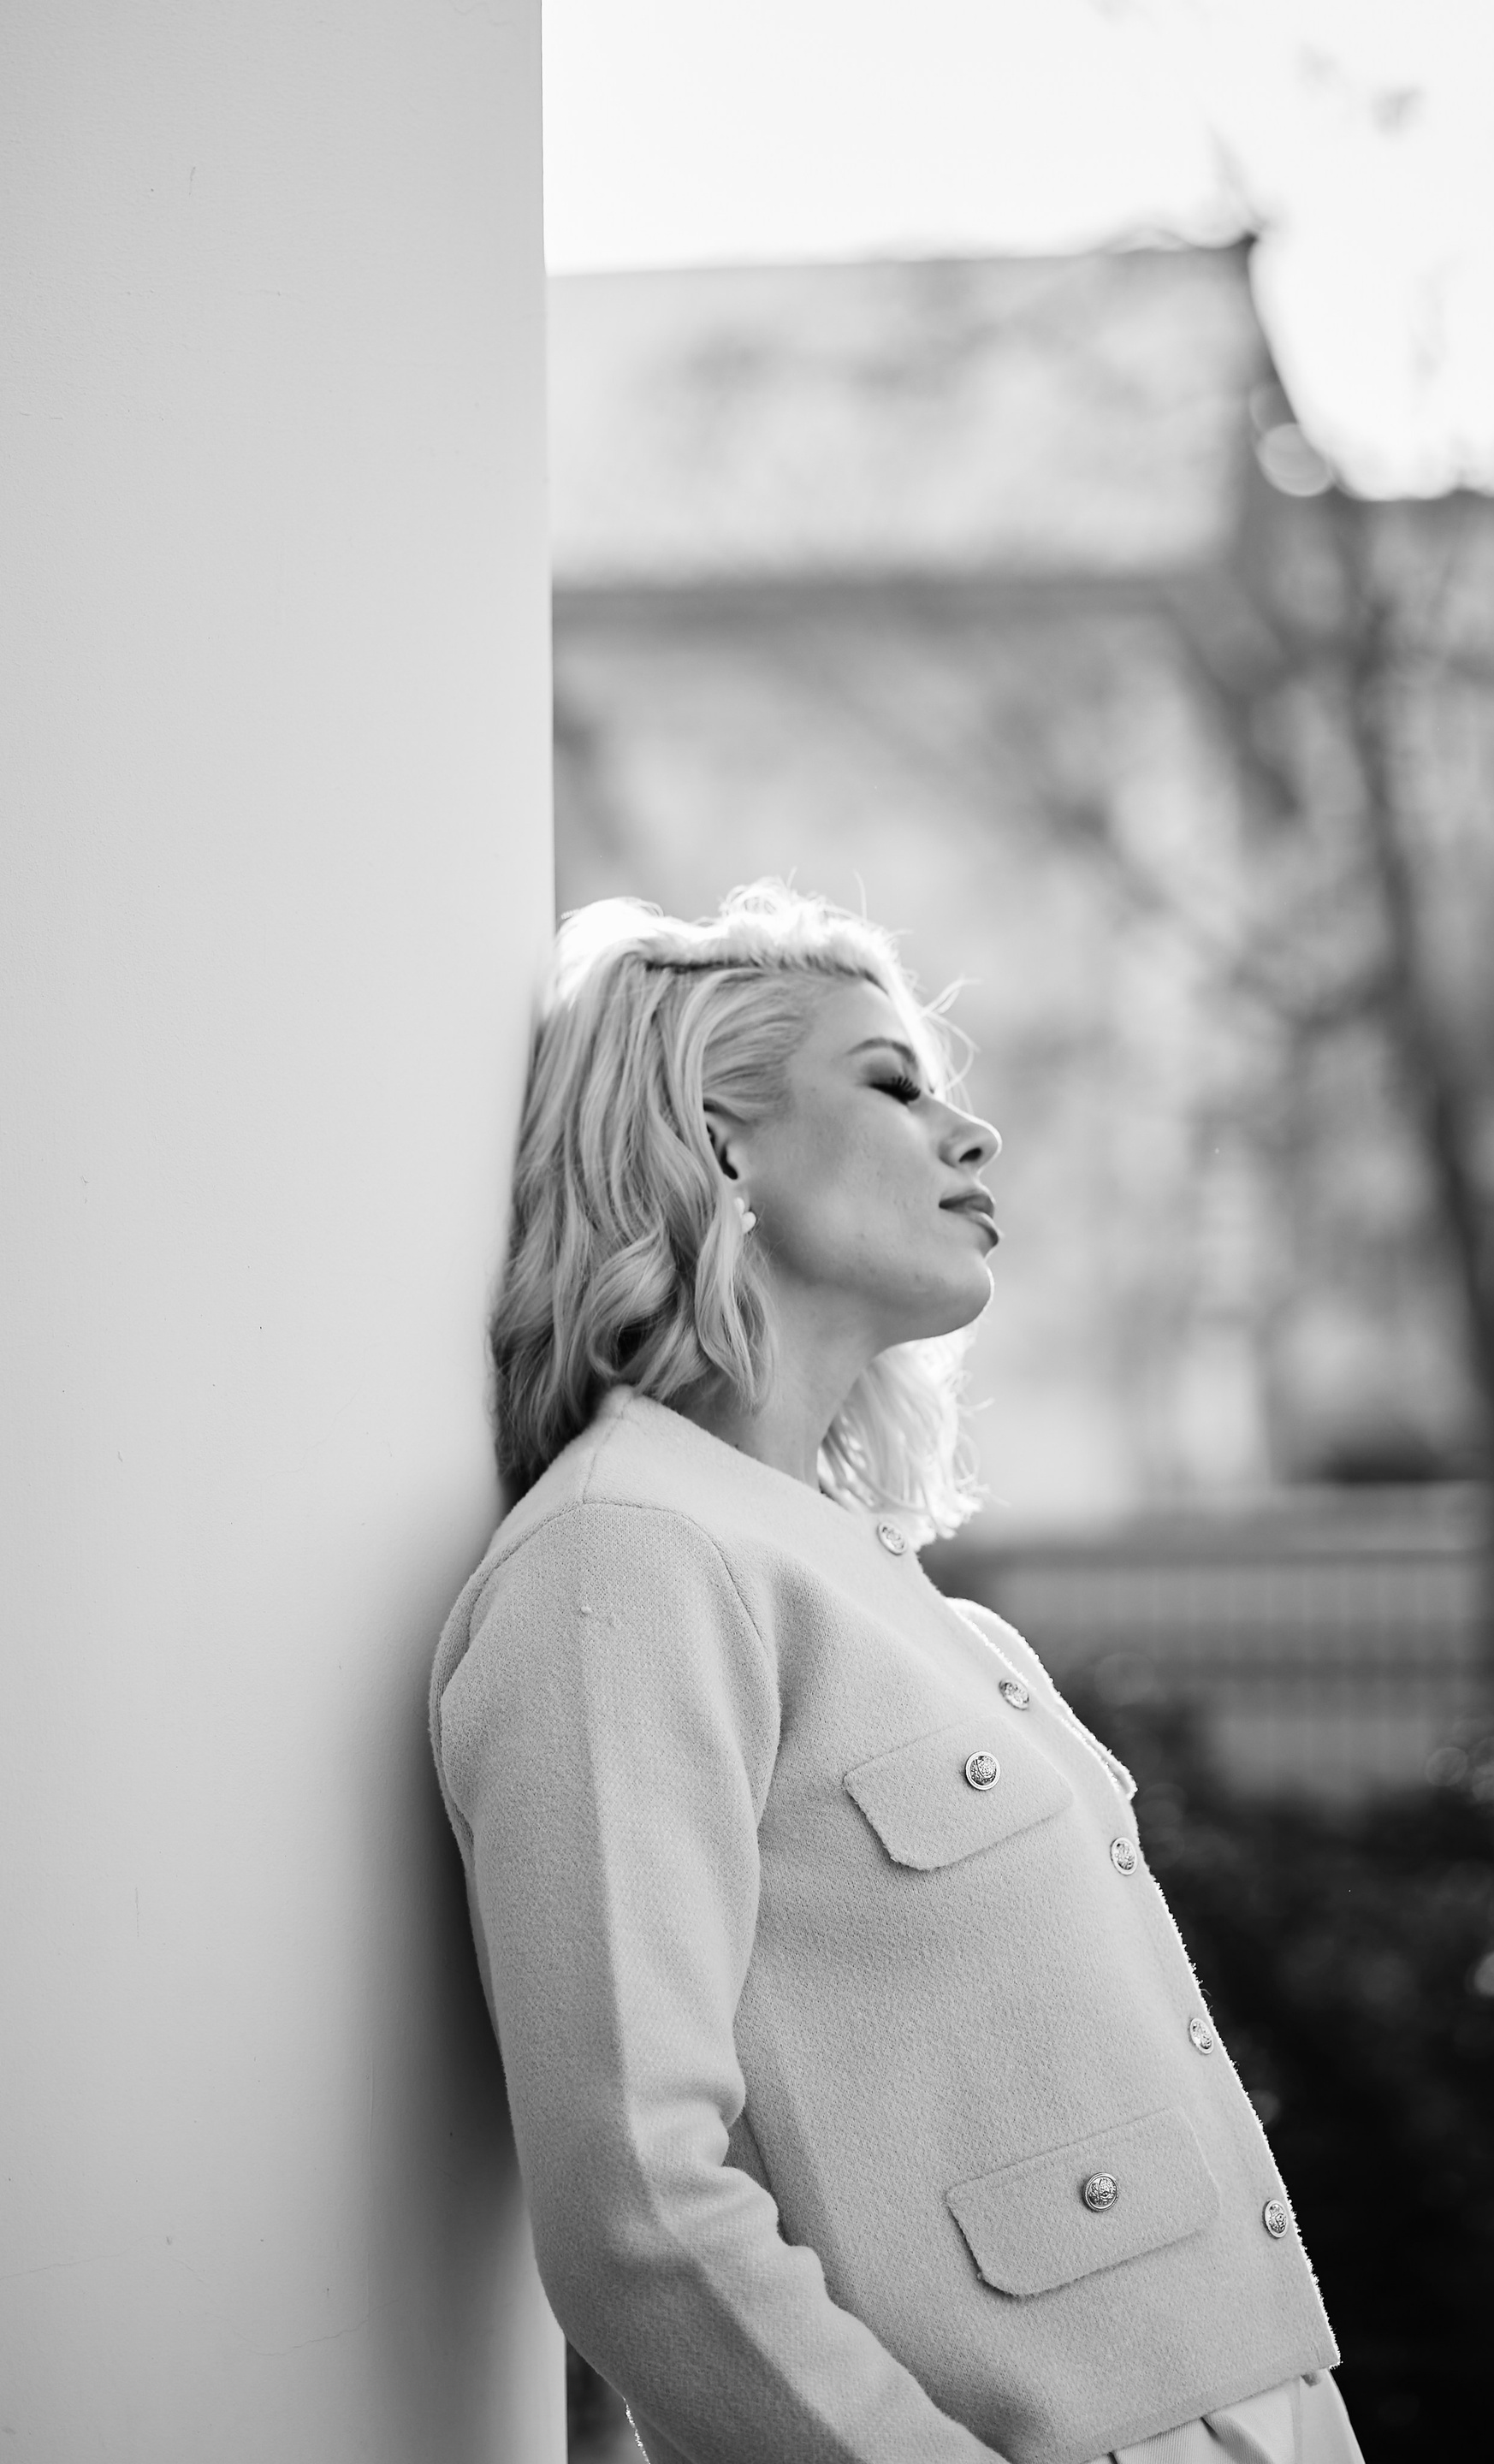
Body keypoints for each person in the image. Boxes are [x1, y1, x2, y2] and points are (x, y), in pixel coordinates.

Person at [430, 882, 1365, 2464]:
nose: (972, 1132)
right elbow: (642, 2205)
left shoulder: (912, 1606)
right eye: (892, 1083)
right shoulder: (627, 1560)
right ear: (718, 1143)